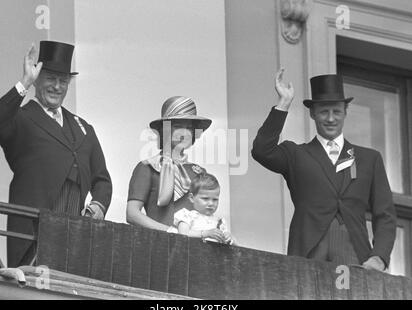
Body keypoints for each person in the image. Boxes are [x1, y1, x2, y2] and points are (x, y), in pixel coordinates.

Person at [251, 69, 396, 271]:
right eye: (323, 112)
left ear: (346, 112)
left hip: (354, 256)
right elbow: (261, 150)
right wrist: (283, 104)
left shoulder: (369, 159)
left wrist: (379, 257)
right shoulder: (296, 154)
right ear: (312, 114)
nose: (330, 118)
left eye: (336, 111)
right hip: (308, 253)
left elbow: (385, 214)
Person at [0, 41, 112, 267]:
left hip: (75, 238)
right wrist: (24, 82)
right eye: (50, 79)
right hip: (33, 236)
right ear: (37, 79)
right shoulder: (21, 118)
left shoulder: (83, 127)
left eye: (63, 81)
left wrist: (97, 206)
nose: (57, 86)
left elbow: (102, 179)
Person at [126, 96, 228, 243]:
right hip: (158, 244)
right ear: (164, 130)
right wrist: (169, 231)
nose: (184, 133)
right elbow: (132, 214)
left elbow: (205, 214)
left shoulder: (199, 172)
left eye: (189, 128)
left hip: (196, 248)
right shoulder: (148, 167)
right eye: (177, 126)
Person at [170, 173, 234, 244]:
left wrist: (228, 237)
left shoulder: (219, 221)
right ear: (192, 198)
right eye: (205, 199)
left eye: (215, 199)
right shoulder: (187, 215)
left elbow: (230, 243)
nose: (211, 203)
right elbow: (183, 234)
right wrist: (205, 233)